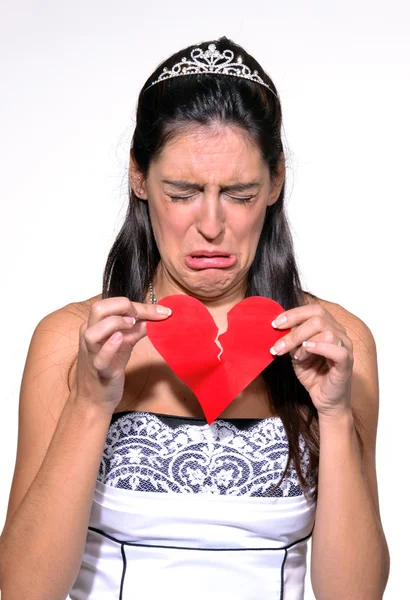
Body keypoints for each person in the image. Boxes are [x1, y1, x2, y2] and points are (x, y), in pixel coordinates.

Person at [0, 36, 389, 600]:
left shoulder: (335, 343)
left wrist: (332, 414)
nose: (211, 224)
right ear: (139, 178)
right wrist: (89, 403)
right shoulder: (72, 341)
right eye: (182, 192)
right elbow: (20, 590)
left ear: (276, 183)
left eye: (239, 193)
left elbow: (354, 595)